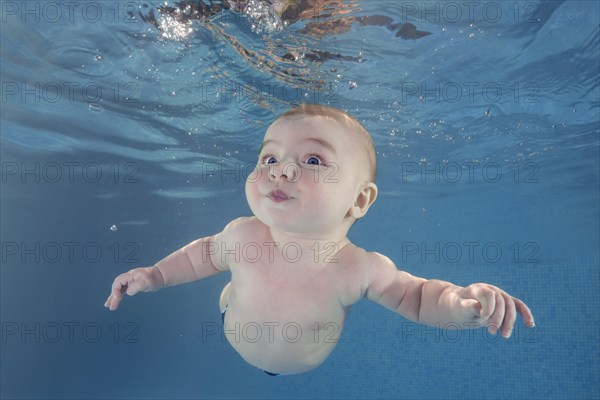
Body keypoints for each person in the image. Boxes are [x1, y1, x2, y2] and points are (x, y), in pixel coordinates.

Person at [104, 104, 535, 376]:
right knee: (229, 291)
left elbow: (419, 297)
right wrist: (155, 274)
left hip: (298, 363)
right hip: (231, 325)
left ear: (359, 200)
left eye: (312, 159)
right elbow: (201, 256)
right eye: (269, 157)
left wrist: (460, 303)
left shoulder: (360, 268)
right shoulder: (243, 234)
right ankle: (231, 295)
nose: (281, 170)